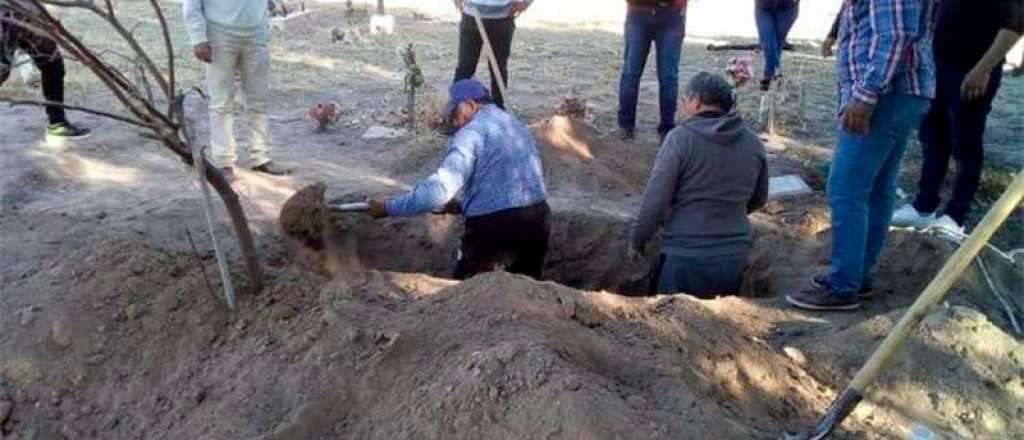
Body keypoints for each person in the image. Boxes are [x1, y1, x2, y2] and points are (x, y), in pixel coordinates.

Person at [786, 0, 938, 312]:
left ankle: (843, 286)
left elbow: (894, 35)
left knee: (846, 188)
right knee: (878, 188)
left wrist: (866, 95)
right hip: (899, 93)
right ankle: (857, 275)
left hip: (885, 96)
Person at [368, 79, 549, 280]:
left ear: (470, 104)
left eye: (455, 114)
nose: (454, 122)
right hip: (538, 219)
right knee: (527, 287)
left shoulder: (471, 133)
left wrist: (388, 208)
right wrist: (461, 205)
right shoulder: (515, 125)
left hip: (495, 227)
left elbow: (436, 192)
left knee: (467, 289)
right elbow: (506, 184)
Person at [630, 72, 769, 298]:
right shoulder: (753, 142)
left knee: (670, 316)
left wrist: (637, 241)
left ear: (695, 102)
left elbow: (655, 202)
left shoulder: (680, 139)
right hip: (735, 257)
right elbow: (759, 198)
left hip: (684, 257)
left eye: (684, 101)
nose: (682, 106)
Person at [890, 0, 1024, 234]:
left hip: (973, 70)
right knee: (933, 137)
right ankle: (924, 207)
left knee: (965, 144)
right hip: (938, 64)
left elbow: (1016, 24)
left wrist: (983, 68)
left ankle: (955, 217)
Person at [183, 0, 289, 182]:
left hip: (256, 34)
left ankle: (261, 157)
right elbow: (191, 4)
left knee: (258, 100)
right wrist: (198, 37)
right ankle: (223, 161)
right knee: (221, 102)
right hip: (219, 35)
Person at [0, 1, 91, 139]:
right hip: (4, 17)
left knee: (53, 63)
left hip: (31, 15)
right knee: (2, 72)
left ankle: (57, 123)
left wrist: (45, 15)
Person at [618, 0, 687, 141]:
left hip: (670, 14)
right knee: (631, 73)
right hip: (638, 12)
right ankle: (626, 125)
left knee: (668, 77)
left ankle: (667, 129)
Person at [453, 0, 533, 110]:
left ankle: (498, 110)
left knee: (498, 69)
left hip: (502, 19)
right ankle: (456, 110)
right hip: (471, 17)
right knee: (465, 68)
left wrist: (525, 4)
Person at [754, 0, 799, 91]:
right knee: (767, 42)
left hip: (788, 9)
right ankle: (774, 75)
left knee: (777, 43)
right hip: (763, 8)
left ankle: (769, 75)